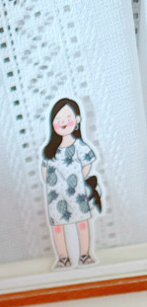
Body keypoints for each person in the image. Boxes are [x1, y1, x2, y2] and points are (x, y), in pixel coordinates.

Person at [41, 98, 102, 269]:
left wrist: (79, 179)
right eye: (58, 119)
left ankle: (85, 255)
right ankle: (63, 257)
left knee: (82, 222)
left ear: (77, 120)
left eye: (67, 117)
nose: (62, 122)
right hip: (55, 195)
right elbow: (45, 168)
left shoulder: (79, 146)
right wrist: (50, 182)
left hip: (77, 193)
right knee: (58, 226)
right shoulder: (49, 150)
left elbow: (87, 163)